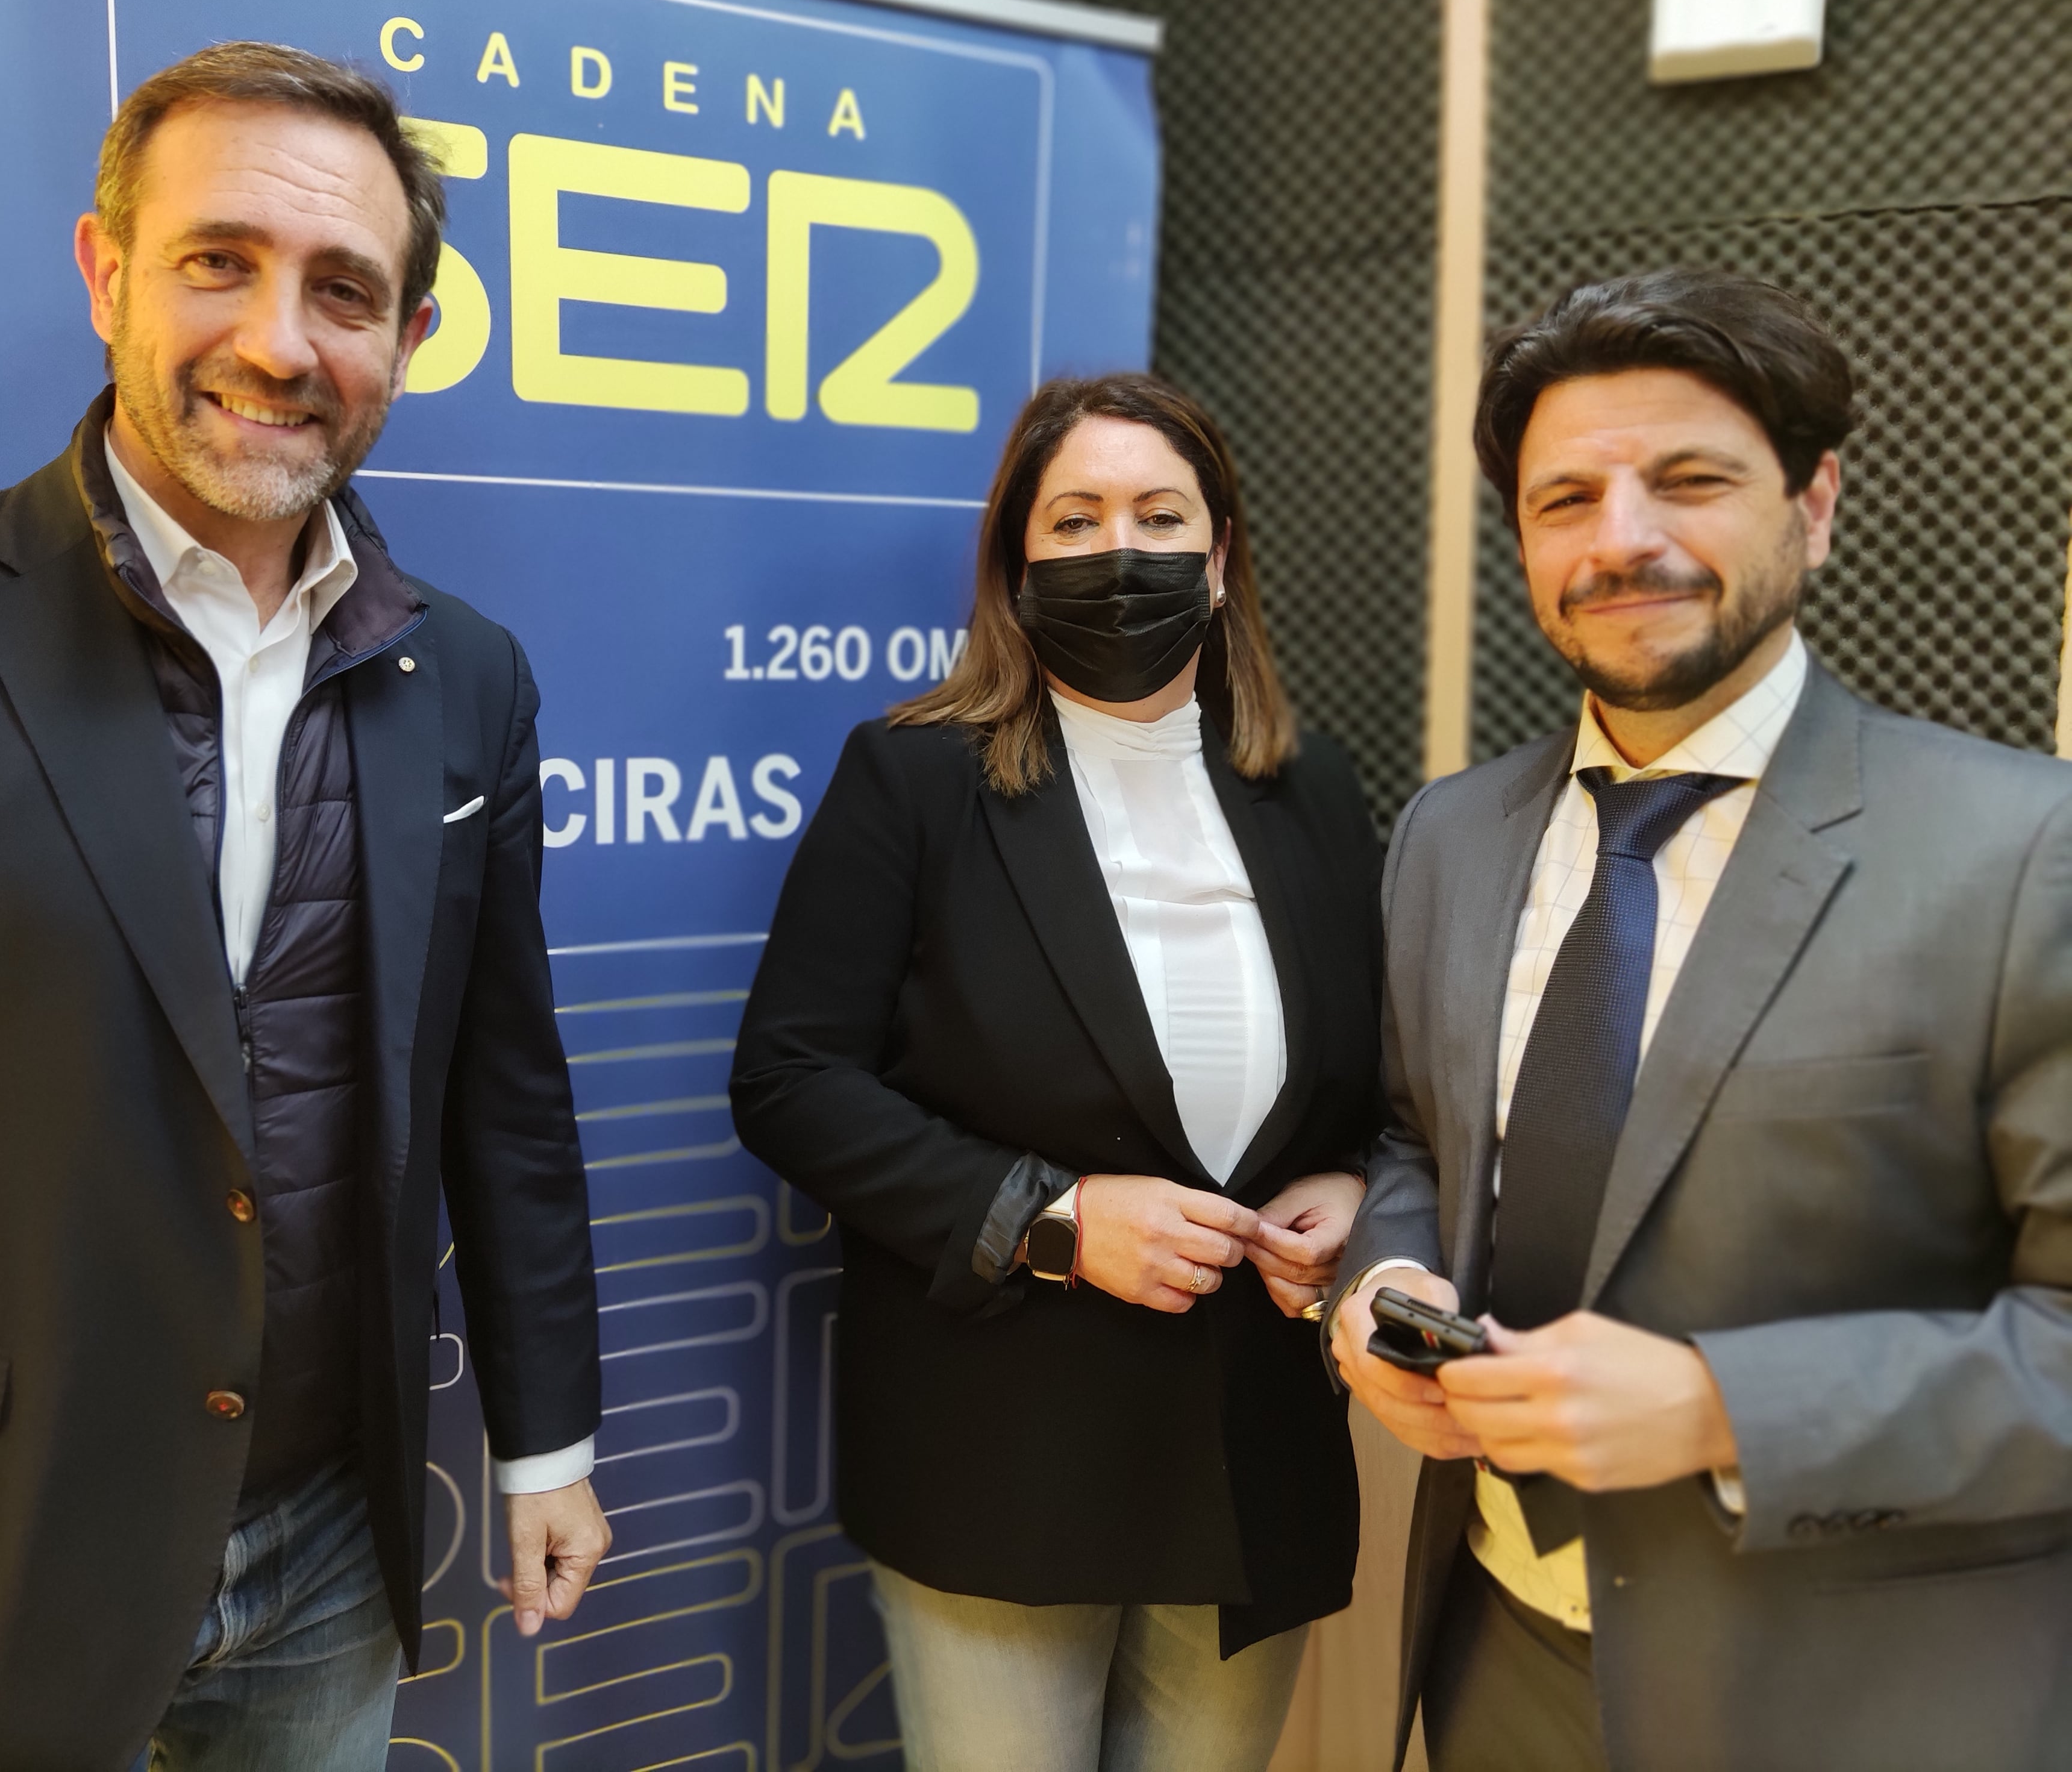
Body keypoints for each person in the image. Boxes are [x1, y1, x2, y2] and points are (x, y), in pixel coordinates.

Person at [0, 43, 609, 1771]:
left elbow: (508, 1102)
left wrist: (547, 1447)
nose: (278, 340)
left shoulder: (470, 679)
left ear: (405, 339)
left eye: (345, 290)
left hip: (329, 1552)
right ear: (107, 274)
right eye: (217, 261)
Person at [1333, 268, 2072, 1771]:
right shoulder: (1446, 836)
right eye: (1565, 499)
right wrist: (1380, 1274)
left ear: (1812, 505)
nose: (1622, 540)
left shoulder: (2024, 852)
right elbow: (1416, 1132)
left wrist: (1724, 1410)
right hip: (1491, 1659)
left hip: (1856, 1699)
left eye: (1687, 480)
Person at [731, 374, 1386, 1771]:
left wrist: (1352, 1188)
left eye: (1159, 516)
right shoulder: (913, 780)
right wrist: (1053, 1218)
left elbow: (1372, 1089)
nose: (1117, 552)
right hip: (1000, 1455)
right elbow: (788, 1079)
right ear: (1016, 568)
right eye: (1073, 519)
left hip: (1249, 1458)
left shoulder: (1310, 786)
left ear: (1220, 560)